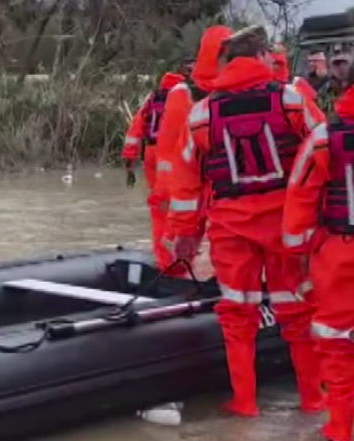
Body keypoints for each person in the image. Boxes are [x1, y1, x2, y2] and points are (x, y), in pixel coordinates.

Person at [166, 25, 325, 418]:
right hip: (287, 229)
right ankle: (313, 399)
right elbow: (324, 153)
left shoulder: (202, 115)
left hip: (231, 229)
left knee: (238, 317)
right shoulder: (291, 100)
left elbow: (187, 183)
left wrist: (184, 237)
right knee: (299, 314)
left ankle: (245, 403)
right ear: (260, 58)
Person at [283, 61, 354, 441]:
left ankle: (341, 428)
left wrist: (300, 256)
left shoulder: (327, 137)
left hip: (341, 254)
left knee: (338, 342)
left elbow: (300, 198)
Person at [151, 25, 233, 276]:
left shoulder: (219, 93)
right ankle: (170, 285)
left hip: (201, 185)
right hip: (177, 186)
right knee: (173, 245)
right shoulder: (184, 94)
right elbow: (176, 150)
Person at [122, 68, 186, 274]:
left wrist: (130, 163)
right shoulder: (184, 100)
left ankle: (161, 255)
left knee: (159, 207)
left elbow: (135, 131)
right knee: (178, 209)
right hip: (173, 155)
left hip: (150, 153)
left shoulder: (152, 99)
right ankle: (173, 260)